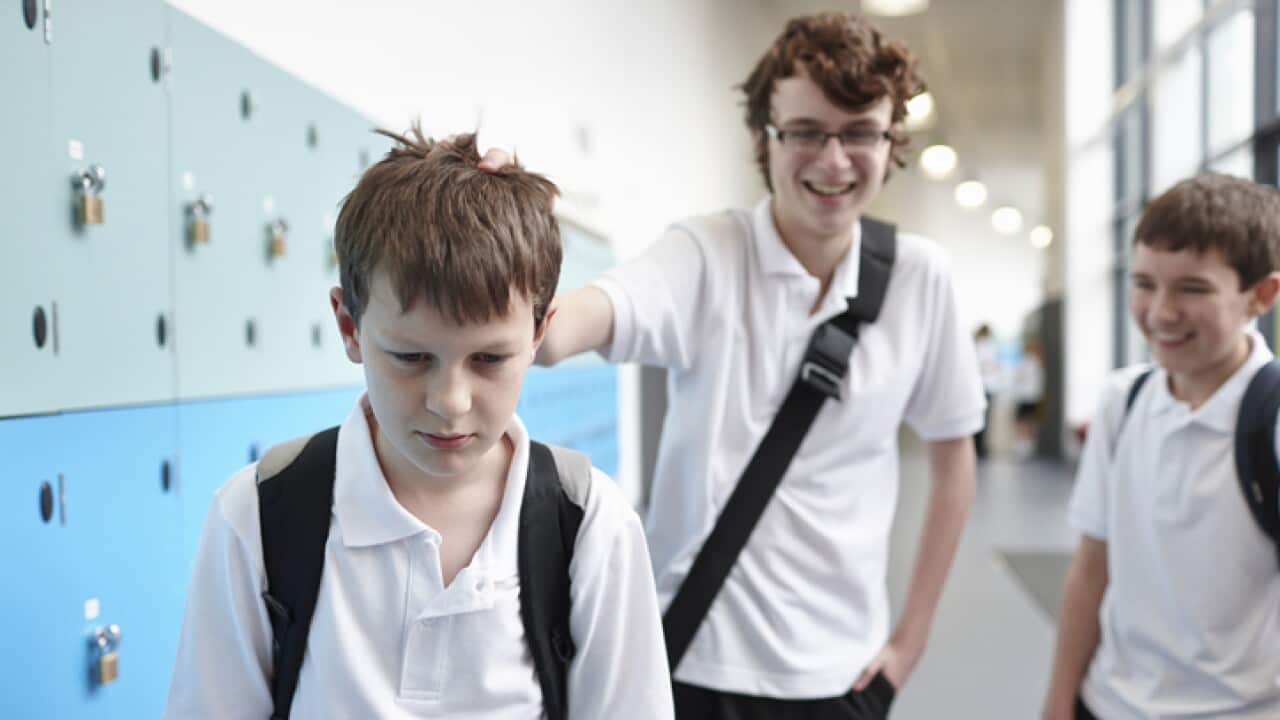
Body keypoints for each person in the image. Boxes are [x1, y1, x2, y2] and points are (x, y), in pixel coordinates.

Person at [491, 12, 985, 718]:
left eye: (859, 133)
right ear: (764, 137)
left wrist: (910, 643)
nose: (834, 160)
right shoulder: (708, 255)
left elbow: (953, 452)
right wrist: (497, 237)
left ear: (890, 139)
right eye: (807, 132)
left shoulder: (919, 279)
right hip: (689, 653)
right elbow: (573, 325)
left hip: (842, 673)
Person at [164, 130, 673, 719]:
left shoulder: (590, 527)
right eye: (411, 358)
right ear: (350, 327)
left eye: (489, 359)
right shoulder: (257, 516)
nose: (450, 402)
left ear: (538, 333)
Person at [1042, 173, 1280, 720]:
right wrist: (1059, 700)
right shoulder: (1122, 403)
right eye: (1145, 283)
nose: (1162, 312)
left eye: (1192, 289)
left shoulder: (1269, 420)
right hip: (1109, 703)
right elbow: (1091, 568)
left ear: (1260, 295)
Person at [973, 323, 1000, 458]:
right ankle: (978, 447)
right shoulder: (979, 347)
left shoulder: (986, 347)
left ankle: (980, 447)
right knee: (980, 419)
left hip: (986, 386)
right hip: (982, 387)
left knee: (981, 419)